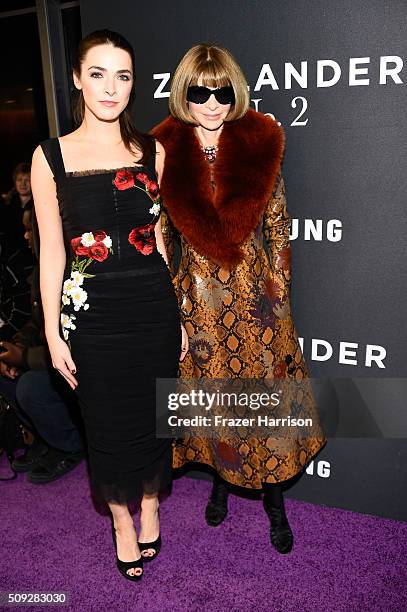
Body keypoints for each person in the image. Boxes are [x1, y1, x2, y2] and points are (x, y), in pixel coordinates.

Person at [153, 43, 326, 553]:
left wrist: (279, 303)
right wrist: (173, 306)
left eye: (222, 91)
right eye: (200, 91)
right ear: (183, 92)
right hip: (198, 302)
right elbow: (160, 237)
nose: (211, 102)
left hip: (256, 298)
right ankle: (222, 485)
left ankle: (275, 503)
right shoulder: (161, 151)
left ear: (235, 92)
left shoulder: (260, 142)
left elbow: (278, 228)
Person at [31, 30, 186, 581]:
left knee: (151, 420)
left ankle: (150, 504)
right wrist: (51, 331)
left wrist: (179, 313)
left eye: (122, 76)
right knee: (107, 426)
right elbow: (52, 250)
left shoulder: (153, 151)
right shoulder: (50, 156)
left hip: (152, 309)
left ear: (133, 84)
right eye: (97, 73)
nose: (110, 87)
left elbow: (159, 235)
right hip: (91, 318)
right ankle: (121, 518)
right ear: (77, 77)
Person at [0, 202, 84, 483]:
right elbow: (36, 324)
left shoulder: (75, 272)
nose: (25, 237)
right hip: (47, 356)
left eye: (29, 230)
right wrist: (13, 348)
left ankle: (71, 446)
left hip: (78, 366)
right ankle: (46, 440)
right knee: (5, 377)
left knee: (30, 386)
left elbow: (73, 347)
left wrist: (22, 358)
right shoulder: (40, 272)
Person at [0, 163, 35, 338]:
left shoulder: (37, 205)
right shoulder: (7, 205)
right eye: (20, 180)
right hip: (11, 257)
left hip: (30, 257)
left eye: (27, 180)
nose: (23, 184)